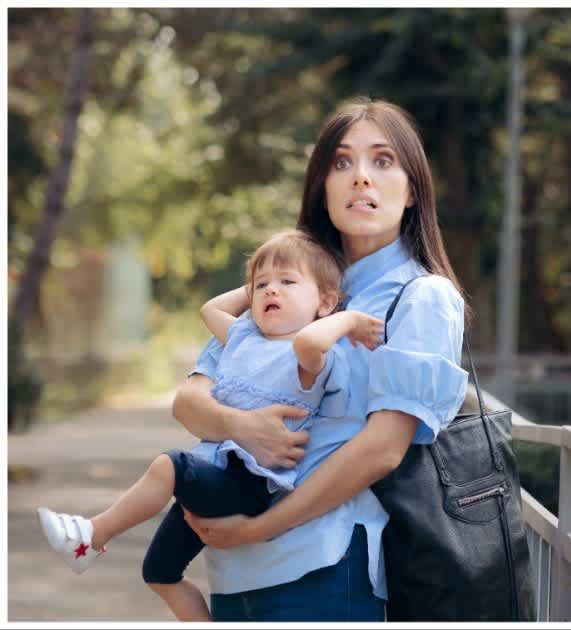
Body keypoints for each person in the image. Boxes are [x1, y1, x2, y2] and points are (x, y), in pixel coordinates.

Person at [170, 98, 470, 621]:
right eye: (341, 163)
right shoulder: (285, 283)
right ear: (322, 186)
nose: (360, 179)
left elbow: (382, 449)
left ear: (412, 190)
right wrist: (242, 425)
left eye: (382, 161)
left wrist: (262, 527)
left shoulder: (423, 298)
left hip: (325, 567)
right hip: (231, 567)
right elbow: (189, 400)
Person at [36, 229, 384, 621]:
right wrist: (261, 281)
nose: (272, 291)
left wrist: (347, 318)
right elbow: (209, 310)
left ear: (325, 302)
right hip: (217, 474)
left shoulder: (312, 356)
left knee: (170, 466)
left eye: (288, 282)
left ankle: (92, 535)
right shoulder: (243, 337)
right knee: (159, 573)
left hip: (245, 484)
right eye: (262, 285)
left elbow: (310, 343)